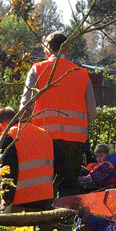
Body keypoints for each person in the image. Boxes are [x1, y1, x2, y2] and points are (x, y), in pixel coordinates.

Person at [19, 32, 96, 198]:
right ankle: (68, 222)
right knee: (69, 187)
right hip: (75, 141)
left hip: (44, 139)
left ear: (47, 50)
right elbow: (92, 112)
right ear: (66, 49)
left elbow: (26, 106)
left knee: (45, 187)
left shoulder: (37, 69)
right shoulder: (82, 73)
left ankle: (47, 223)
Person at [0, 106, 54, 211]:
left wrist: (6, 199)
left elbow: (8, 170)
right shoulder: (43, 133)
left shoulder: (9, 136)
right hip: (45, 197)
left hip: (22, 199)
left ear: (2, 126)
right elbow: (61, 158)